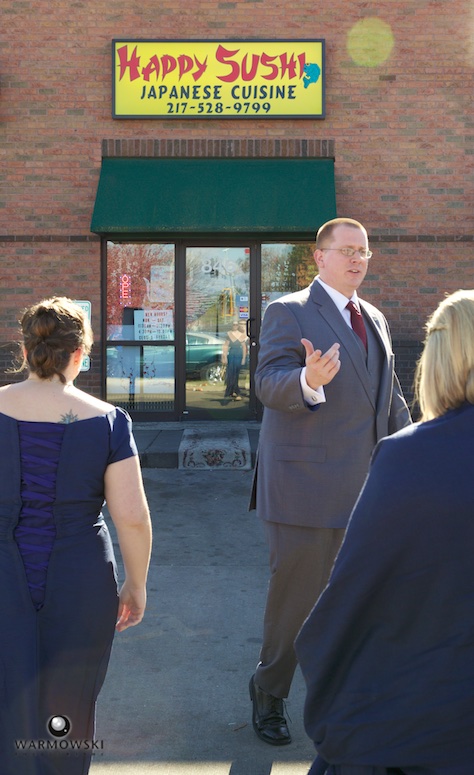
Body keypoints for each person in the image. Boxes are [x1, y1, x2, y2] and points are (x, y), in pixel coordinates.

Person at [295, 289, 474, 775]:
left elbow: (350, 601)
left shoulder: (410, 458)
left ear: (438, 358)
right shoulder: (288, 313)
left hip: (425, 722)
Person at [248, 217, 411, 746]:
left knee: (361, 603)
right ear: (319, 257)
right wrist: (307, 380)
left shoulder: (377, 318)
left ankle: (348, 698)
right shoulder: (288, 310)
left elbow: (389, 402)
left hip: (368, 492)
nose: (357, 259)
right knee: (296, 605)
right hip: (304, 491)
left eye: (364, 250)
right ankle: (269, 694)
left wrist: (426, 447)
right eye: (346, 250)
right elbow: (267, 383)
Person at [0, 297, 152, 775]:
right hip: (81, 577)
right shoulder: (108, 420)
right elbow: (131, 516)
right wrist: (136, 584)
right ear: (81, 353)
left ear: (25, 350)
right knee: (68, 706)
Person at [222, 320, 248, 400]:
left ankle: (236, 391)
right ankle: (231, 391)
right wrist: (225, 357)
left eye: (236, 325)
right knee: (231, 373)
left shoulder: (241, 335)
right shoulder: (229, 334)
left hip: (238, 355)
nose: (235, 326)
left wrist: (243, 358)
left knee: (236, 373)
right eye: (234, 325)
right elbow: (226, 346)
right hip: (232, 354)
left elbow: (244, 347)